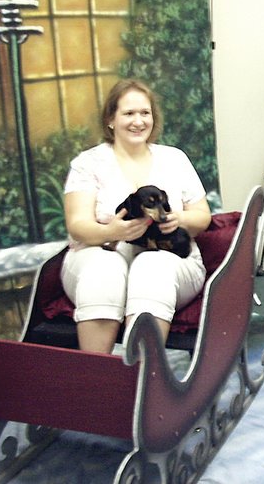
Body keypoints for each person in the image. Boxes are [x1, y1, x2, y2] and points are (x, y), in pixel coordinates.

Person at [61, 78, 212, 354]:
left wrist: (179, 219)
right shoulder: (87, 163)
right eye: (128, 113)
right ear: (110, 119)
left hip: (171, 260)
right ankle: (97, 380)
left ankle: (143, 382)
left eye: (145, 113)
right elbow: (78, 225)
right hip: (98, 253)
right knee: (103, 272)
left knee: (151, 267)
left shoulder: (174, 159)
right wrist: (111, 233)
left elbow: (202, 217)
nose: (138, 121)